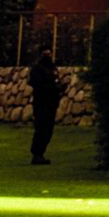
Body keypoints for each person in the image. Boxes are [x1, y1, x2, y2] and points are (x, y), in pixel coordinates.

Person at [26, 37, 66, 166]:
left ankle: (40, 153)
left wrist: (59, 88)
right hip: (41, 102)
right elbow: (35, 83)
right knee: (41, 128)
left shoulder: (52, 68)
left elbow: (55, 81)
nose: (48, 56)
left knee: (48, 129)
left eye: (49, 53)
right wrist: (50, 86)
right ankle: (37, 154)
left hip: (51, 103)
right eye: (45, 54)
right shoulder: (37, 69)